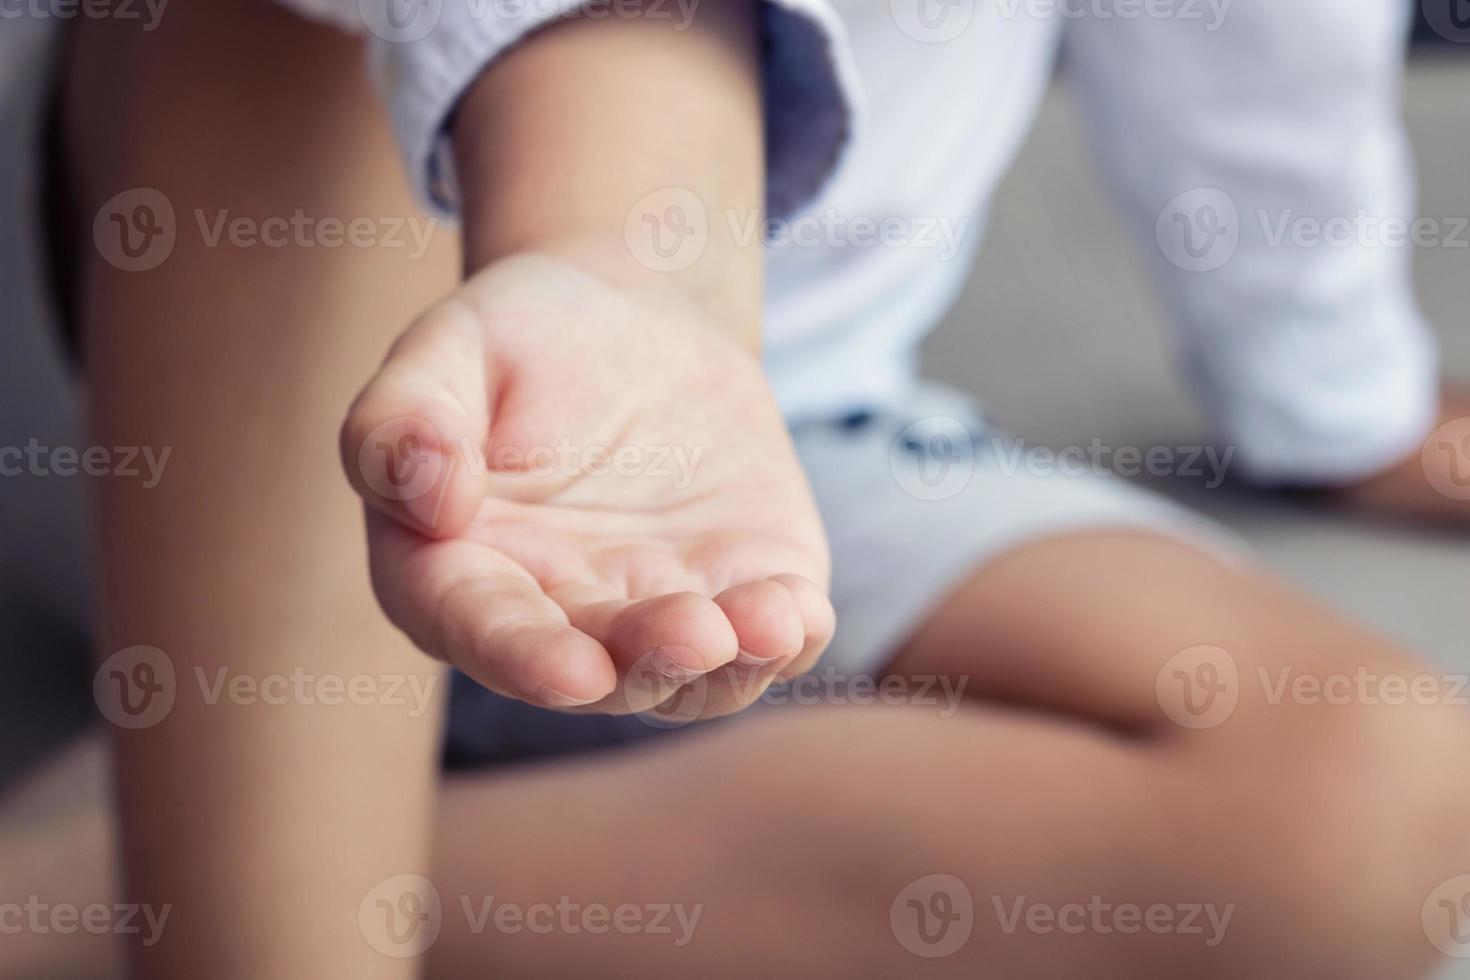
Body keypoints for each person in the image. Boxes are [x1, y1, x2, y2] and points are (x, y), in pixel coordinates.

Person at [3, 0, 1468, 977]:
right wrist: (614, 263)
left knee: (1372, 791)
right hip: (212, 404)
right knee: (301, 37)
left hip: (737, 445)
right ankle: (256, 914)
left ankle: (126, 885)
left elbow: (1245, 37)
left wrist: (1334, 397)